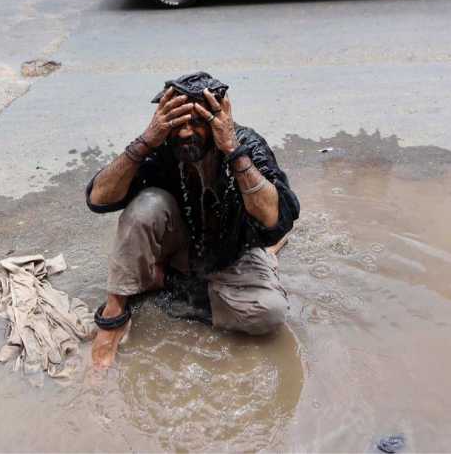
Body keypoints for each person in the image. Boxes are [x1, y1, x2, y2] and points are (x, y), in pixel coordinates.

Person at [86, 72, 300, 368]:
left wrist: (232, 151)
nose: (185, 133)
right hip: (179, 248)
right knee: (147, 205)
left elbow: (274, 218)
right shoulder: (161, 145)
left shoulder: (245, 144)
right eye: (178, 122)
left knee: (269, 313)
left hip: (231, 254)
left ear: (217, 117)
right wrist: (145, 141)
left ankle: (162, 281)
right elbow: (99, 198)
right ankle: (114, 316)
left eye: (197, 121)